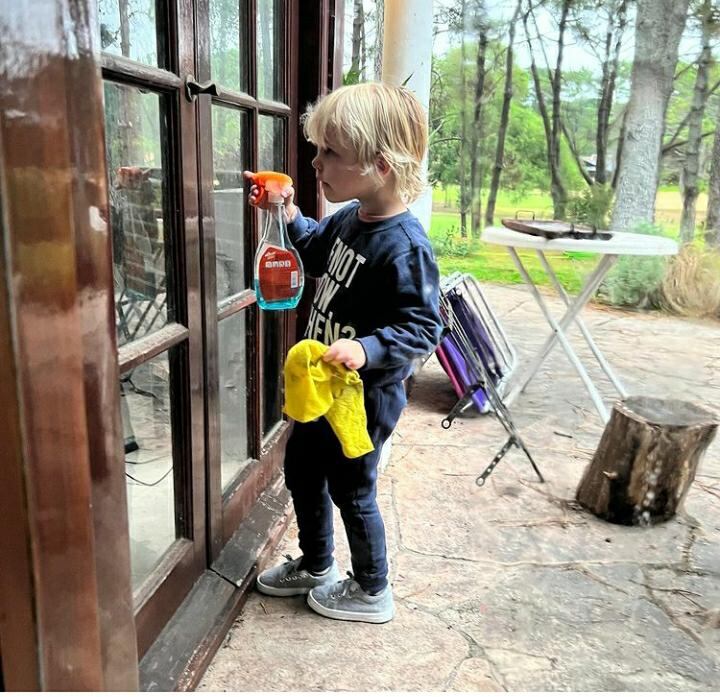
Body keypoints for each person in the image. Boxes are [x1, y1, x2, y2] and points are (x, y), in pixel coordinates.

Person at [245, 81, 442, 624]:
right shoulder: (349, 219)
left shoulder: (405, 246)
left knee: (352, 490)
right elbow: (311, 247)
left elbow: (423, 325)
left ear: (379, 165)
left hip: (363, 398)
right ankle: (316, 563)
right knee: (303, 472)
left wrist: (366, 346)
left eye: (330, 152)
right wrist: (285, 213)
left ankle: (373, 589)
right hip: (320, 390)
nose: (316, 162)